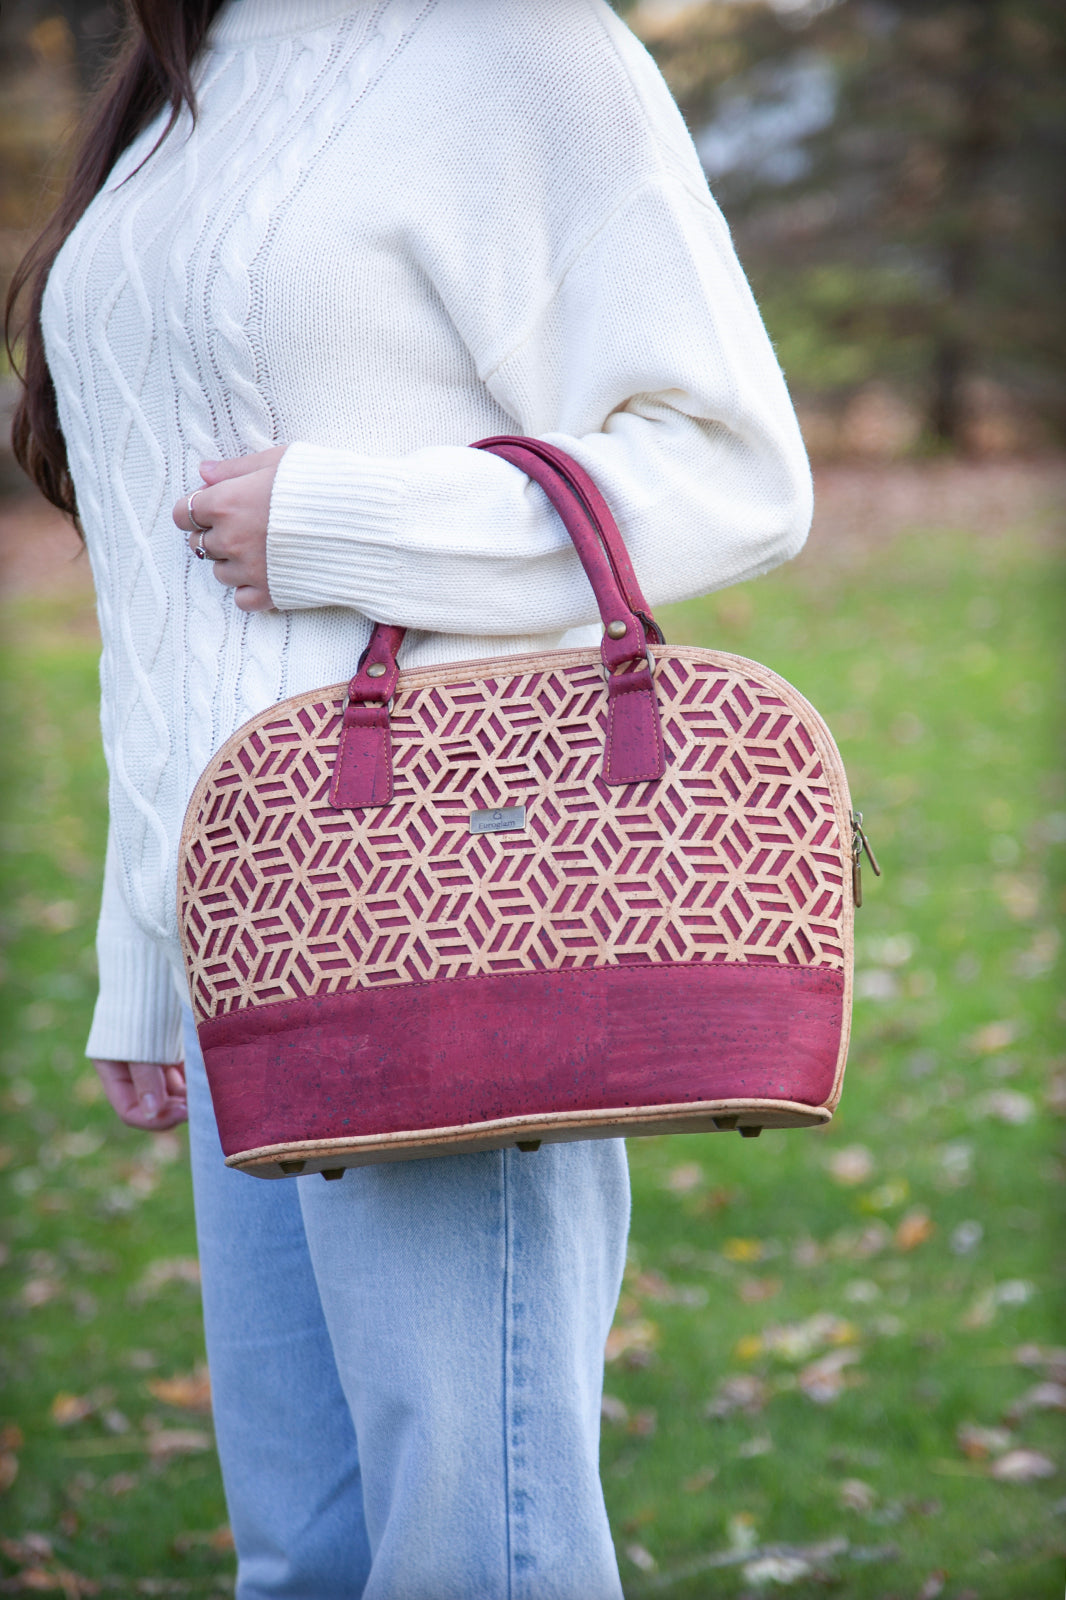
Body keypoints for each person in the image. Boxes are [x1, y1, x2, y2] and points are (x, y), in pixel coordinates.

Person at [8, 1, 813, 1593]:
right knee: (303, 1561)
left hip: (452, 928)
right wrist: (153, 952)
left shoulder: (519, 48)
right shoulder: (198, 61)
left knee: (472, 1551)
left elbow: (735, 465)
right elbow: (161, 621)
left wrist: (344, 519)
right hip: (258, 947)